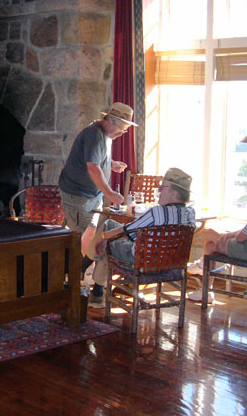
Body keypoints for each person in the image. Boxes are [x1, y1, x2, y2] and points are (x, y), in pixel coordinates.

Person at [90, 168, 196, 308]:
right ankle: (95, 287)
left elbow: (126, 230)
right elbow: (132, 232)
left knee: (108, 228)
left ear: (174, 194)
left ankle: (90, 273)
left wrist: (103, 237)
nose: (158, 191)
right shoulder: (190, 213)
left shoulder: (157, 212)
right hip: (171, 264)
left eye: (162, 188)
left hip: (141, 262)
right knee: (110, 234)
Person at [58, 102, 137, 275]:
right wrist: (110, 193)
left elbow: (97, 159)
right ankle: (77, 277)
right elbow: (92, 167)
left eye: (124, 131)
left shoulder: (105, 135)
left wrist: (111, 163)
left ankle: (84, 273)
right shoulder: (94, 134)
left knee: (93, 232)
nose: (121, 134)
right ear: (110, 121)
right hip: (77, 194)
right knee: (83, 235)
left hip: (92, 195)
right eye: (121, 130)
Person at [187, 174, 247, 303]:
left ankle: (202, 269)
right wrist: (228, 235)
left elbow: (241, 238)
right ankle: (206, 289)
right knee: (210, 247)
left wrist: (228, 236)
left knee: (210, 234)